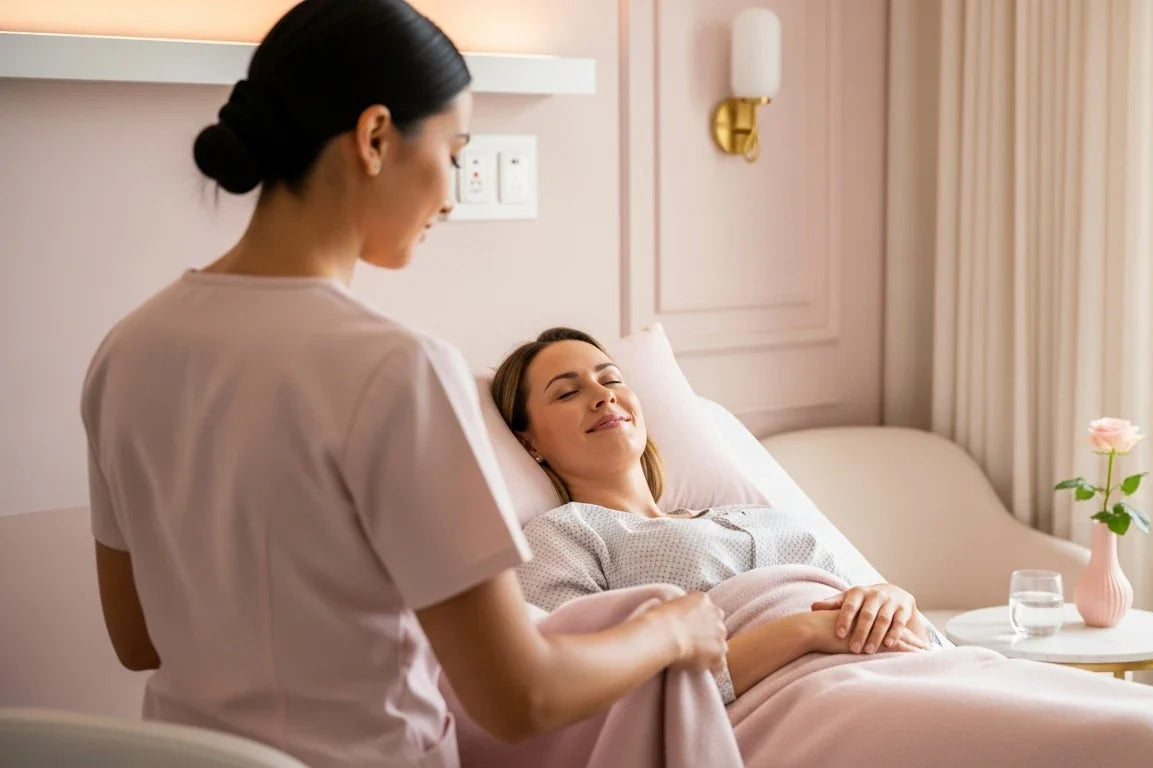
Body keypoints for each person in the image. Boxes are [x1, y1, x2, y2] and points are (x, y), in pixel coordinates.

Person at [81, 2, 725, 766]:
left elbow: (136, 639)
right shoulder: (397, 369)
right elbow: (521, 696)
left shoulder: (126, 350)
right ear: (376, 137)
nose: (451, 195)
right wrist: (670, 629)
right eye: (453, 152)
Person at [489, 327, 941, 704]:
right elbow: (593, 700)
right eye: (568, 392)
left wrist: (895, 602)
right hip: (802, 704)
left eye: (611, 380)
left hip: (909, 668)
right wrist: (803, 630)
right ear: (530, 443)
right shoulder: (562, 536)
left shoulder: (749, 512)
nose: (603, 396)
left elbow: (903, 631)